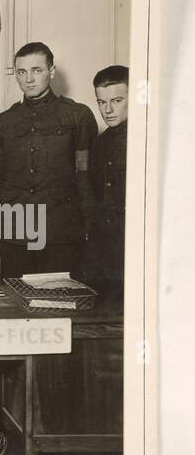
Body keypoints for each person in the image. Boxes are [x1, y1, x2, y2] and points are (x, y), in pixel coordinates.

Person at [0, 41, 97, 278]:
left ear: (51, 71)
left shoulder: (77, 115)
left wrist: (90, 228)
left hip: (59, 229)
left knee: (60, 303)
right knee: (17, 304)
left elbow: (85, 176)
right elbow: (1, 176)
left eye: (37, 70)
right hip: (14, 228)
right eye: (22, 72)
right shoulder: (3, 121)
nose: (29, 79)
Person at [82, 64, 128, 300]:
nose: (108, 109)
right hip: (104, 254)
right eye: (101, 102)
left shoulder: (149, 139)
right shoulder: (99, 144)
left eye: (117, 100)